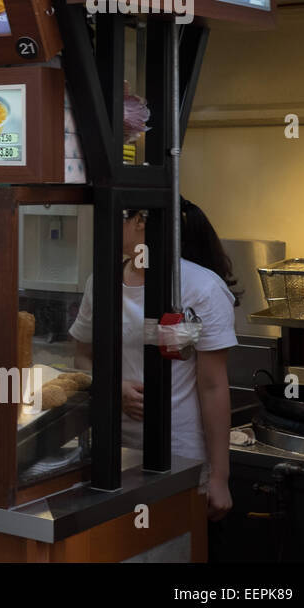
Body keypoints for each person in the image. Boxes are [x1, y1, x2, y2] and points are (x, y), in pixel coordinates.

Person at [68, 198, 237, 519]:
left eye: (112, 214)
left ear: (141, 220)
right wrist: (112, 387)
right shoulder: (101, 281)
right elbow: (82, 357)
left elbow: (214, 386)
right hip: (112, 453)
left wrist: (220, 476)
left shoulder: (199, 288)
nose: (101, 224)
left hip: (178, 454)